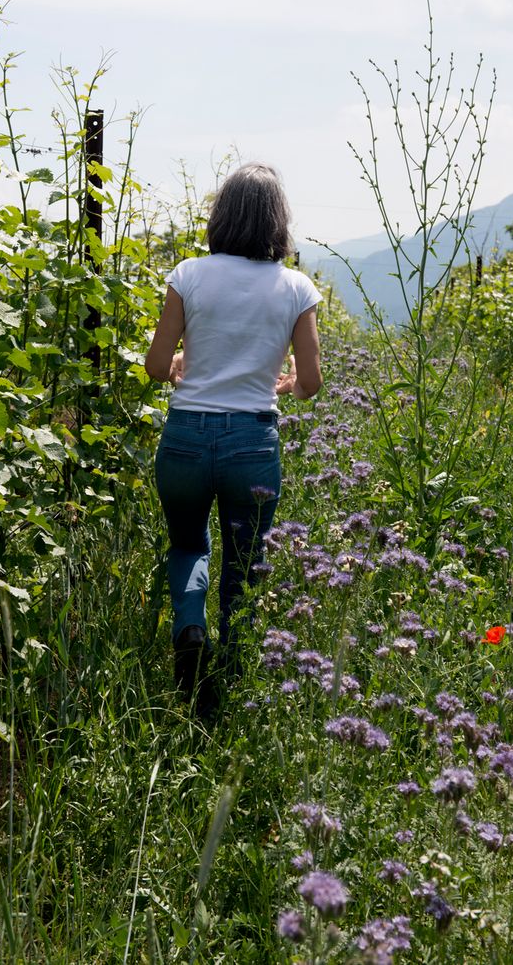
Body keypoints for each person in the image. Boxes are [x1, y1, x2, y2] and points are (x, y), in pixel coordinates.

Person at [145, 162, 322, 716]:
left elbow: (155, 366)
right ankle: (234, 675)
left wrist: (178, 366)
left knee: (188, 544)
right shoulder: (296, 287)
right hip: (252, 442)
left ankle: (190, 630)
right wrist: (290, 381)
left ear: (222, 215)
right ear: (278, 221)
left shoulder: (189, 274)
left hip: (186, 439)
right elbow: (311, 385)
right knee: (244, 565)